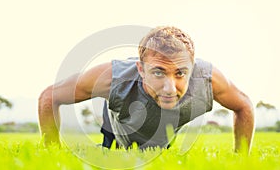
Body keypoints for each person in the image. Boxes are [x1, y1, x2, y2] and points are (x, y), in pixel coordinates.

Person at [38, 26, 254, 153]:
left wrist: (240, 159)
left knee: (157, 151)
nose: (170, 88)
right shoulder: (111, 78)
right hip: (117, 124)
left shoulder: (207, 79)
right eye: (159, 72)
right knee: (111, 148)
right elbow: (49, 97)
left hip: (161, 137)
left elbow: (244, 106)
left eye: (180, 73)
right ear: (141, 69)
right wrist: (52, 152)